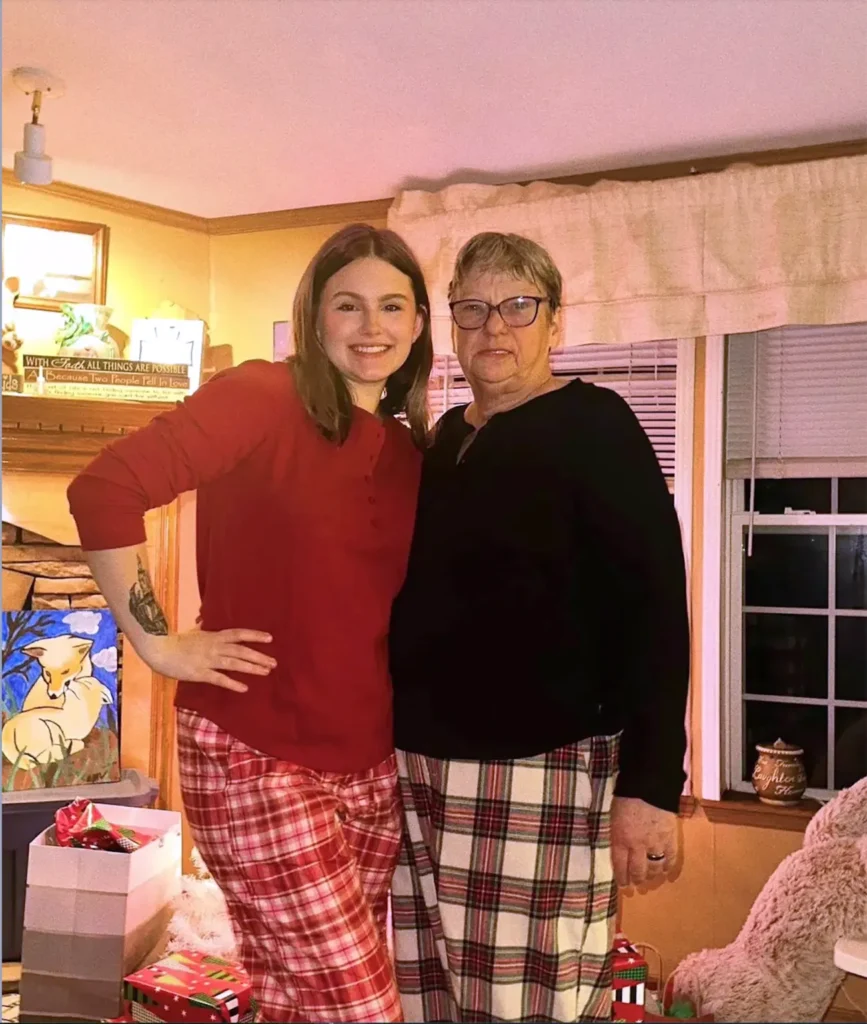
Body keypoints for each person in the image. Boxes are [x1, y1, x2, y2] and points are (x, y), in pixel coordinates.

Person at [66, 224, 434, 1024]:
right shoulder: (262, 398)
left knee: (298, 1000)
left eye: (392, 306)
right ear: (314, 317)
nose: (372, 326)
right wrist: (156, 642)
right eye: (348, 305)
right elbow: (104, 490)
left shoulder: (410, 455)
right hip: (253, 751)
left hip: (368, 765)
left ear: (416, 326)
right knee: (360, 1009)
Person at [387, 232, 690, 1023]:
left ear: (554, 322)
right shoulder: (443, 440)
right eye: (474, 308)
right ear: (450, 324)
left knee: (531, 1005)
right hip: (413, 770)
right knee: (425, 999)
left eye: (518, 306)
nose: (496, 327)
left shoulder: (595, 424)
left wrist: (652, 787)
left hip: (540, 767)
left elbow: (657, 608)